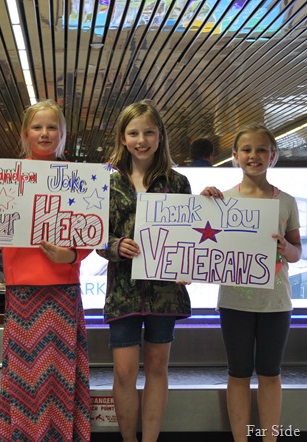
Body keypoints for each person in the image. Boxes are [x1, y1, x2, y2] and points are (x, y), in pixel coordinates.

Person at [0, 99, 92, 442]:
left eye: (52, 127)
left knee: (60, 374)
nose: (44, 133)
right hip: (23, 293)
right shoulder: (2, 178)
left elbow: (90, 229)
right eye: (37, 127)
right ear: (25, 133)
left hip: (63, 289)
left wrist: (73, 255)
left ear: (63, 134)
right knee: (25, 375)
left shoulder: (79, 178)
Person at [97, 100, 220, 442]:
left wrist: (210, 203)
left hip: (164, 294)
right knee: (123, 373)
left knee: (157, 368)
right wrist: (115, 245)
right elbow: (95, 235)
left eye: (149, 132)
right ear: (122, 137)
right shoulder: (109, 183)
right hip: (123, 292)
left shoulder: (178, 183)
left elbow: (193, 234)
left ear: (160, 135)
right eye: (134, 133)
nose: (142, 139)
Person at [217, 123, 301, 442]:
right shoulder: (222, 200)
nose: (254, 156)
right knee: (238, 374)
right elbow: (206, 247)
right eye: (247, 150)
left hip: (275, 303)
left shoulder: (287, 201)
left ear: (273, 156)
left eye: (262, 150)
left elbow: (296, 253)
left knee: (270, 375)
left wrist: (285, 247)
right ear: (235, 156)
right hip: (233, 302)